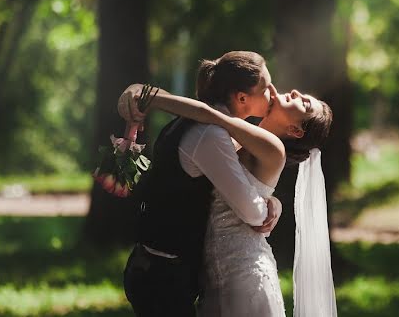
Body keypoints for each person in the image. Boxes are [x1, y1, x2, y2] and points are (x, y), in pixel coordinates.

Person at [120, 74, 336, 316]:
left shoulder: (273, 148)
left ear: (296, 130)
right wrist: (272, 202)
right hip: (213, 268)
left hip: (243, 271)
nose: (296, 92)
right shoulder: (239, 137)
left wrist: (152, 97)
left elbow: (208, 114)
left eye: (304, 104)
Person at [121, 51, 282, 317]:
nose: (274, 94)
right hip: (163, 276)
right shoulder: (211, 135)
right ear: (242, 98)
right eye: (266, 88)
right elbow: (251, 212)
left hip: (158, 269)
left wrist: (273, 201)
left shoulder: (198, 126)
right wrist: (268, 209)